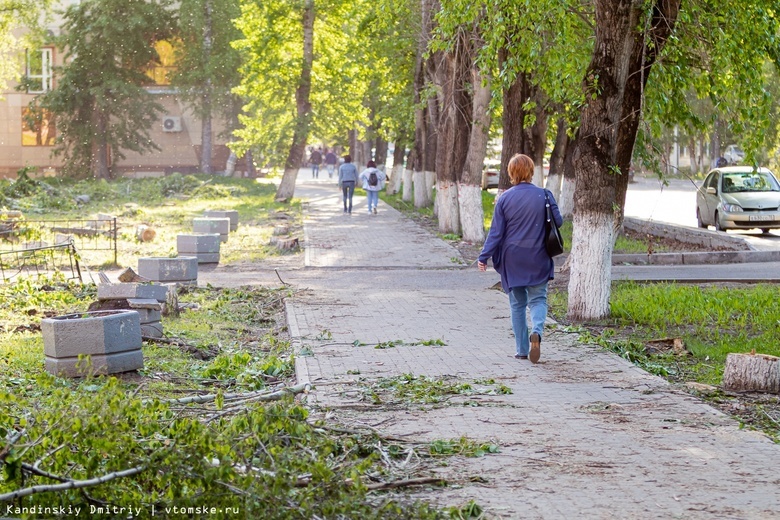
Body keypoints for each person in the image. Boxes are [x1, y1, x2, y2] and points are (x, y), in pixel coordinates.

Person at [477, 153, 562, 364]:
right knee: (538, 298)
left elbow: (496, 233)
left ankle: (522, 350)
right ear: (531, 171)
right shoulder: (545, 195)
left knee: (517, 304)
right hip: (538, 254)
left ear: (511, 173)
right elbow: (558, 222)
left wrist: (484, 256)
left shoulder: (505, 198)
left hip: (512, 257)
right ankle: (537, 332)